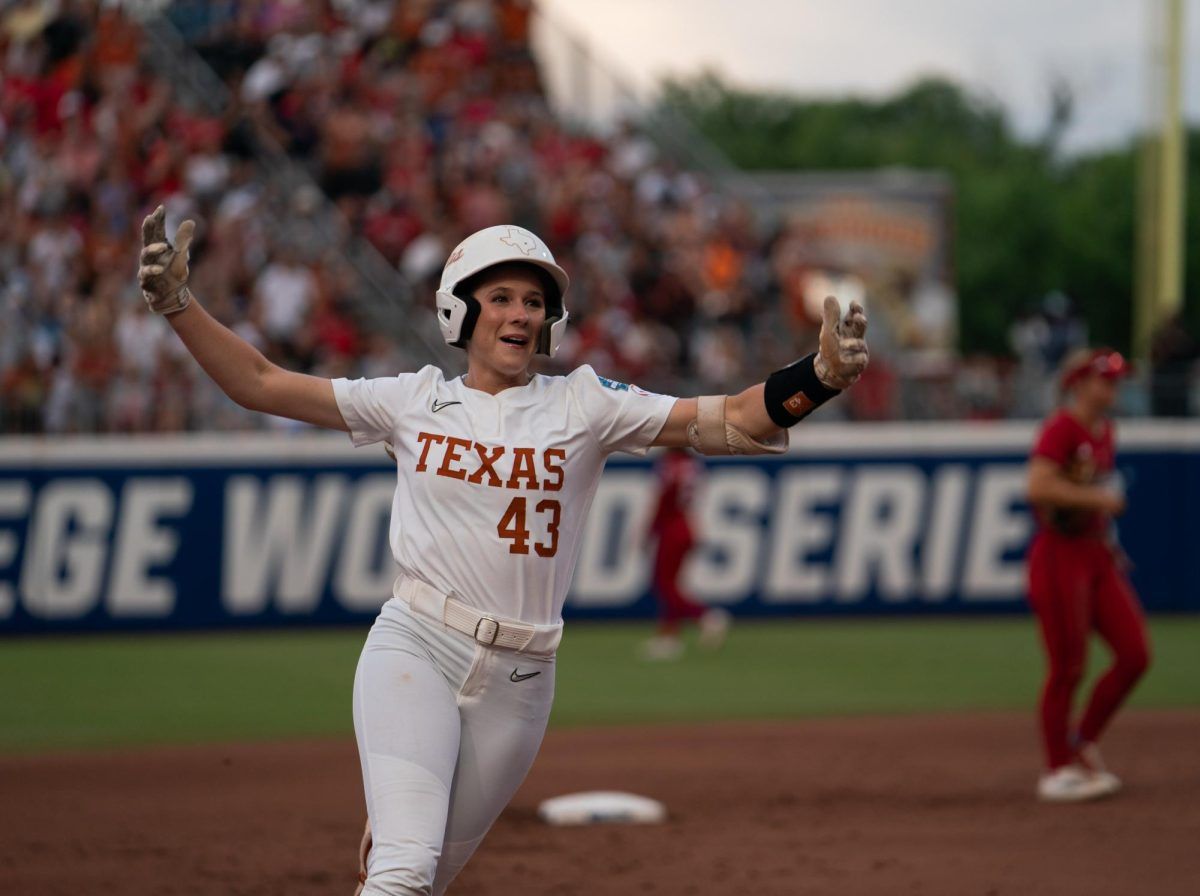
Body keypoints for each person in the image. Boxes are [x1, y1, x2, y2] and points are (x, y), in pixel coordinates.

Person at [137, 208, 869, 894]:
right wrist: (179, 307)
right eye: (503, 297)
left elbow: (733, 420)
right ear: (460, 308)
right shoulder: (411, 399)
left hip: (522, 680)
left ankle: (397, 830)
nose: (521, 313)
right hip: (416, 644)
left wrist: (820, 379)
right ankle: (397, 835)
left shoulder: (586, 403)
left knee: (422, 878)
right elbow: (258, 383)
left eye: (533, 301)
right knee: (404, 868)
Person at [1025, 347, 1151, 804]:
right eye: (1106, 380)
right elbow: (1038, 485)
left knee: (1135, 653)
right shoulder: (1062, 427)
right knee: (1068, 666)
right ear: (1080, 383)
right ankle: (1057, 768)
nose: (1114, 388)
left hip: (1096, 553)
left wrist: (1110, 541)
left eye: (1118, 380)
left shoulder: (1105, 430)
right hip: (1060, 556)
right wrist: (1100, 502)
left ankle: (1082, 742)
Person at [641, 447, 730, 660]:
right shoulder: (692, 465)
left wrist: (649, 531)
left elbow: (663, 500)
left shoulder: (670, 463)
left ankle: (705, 616)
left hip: (672, 529)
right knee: (671, 584)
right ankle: (669, 637)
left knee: (664, 584)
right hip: (688, 526)